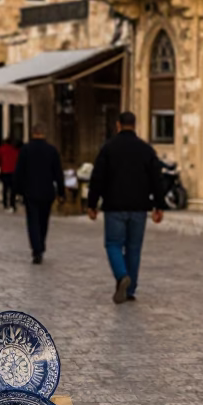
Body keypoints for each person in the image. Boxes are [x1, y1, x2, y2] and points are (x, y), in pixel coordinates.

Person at [87, 111, 165, 303]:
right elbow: (157, 179)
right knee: (134, 248)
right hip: (139, 206)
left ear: (118, 125)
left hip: (114, 206)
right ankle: (130, 290)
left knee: (113, 244)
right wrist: (159, 205)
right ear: (135, 125)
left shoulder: (108, 148)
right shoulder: (146, 150)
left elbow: (97, 178)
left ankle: (122, 276)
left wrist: (92, 203)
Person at [15, 124, 65, 264]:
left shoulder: (25, 150)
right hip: (47, 191)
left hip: (30, 191)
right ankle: (40, 245)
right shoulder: (52, 151)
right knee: (43, 221)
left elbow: (19, 171)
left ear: (32, 133)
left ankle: (37, 249)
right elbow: (58, 173)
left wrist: (17, 191)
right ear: (44, 133)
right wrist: (61, 192)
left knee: (33, 221)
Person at [0, 137, 20, 212]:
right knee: (13, 189)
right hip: (13, 171)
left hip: (5, 170)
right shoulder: (15, 149)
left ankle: (5, 204)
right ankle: (12, 204)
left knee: (5, 188)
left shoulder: (2, 149)